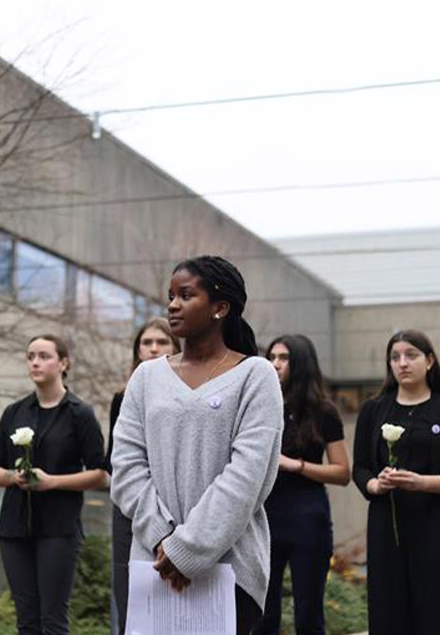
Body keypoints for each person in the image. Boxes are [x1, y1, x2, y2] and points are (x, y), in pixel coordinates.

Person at [111, 255, 283, 635]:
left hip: (229, 570)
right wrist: (162, 538)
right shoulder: (146, 377)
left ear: (220, 307)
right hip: (152, 567)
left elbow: (247, 476)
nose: (172, 305)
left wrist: (187, 549)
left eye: (186, 295)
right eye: (170, 296)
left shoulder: (256, 375)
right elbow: (125, 466)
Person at [352, 330, 440, 635]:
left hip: (435, 529)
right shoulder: (373, 410)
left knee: (437, 615)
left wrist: (422, 482)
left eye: (411, 355)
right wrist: (375, 486)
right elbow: (361, 468)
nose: (402, 363)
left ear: (430, 361)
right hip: (386, 526)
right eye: (395, 357)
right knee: (388, 614)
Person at [0, 334, 107, 635]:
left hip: (58, 527)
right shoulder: (13, 412)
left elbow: (100, 474)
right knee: (26, 620)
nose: (35, 362)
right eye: (30, 356)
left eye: (43, 356)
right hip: (14, 527)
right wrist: (12, 478)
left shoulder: (80, 413)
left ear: (63, 363)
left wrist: (52, 482)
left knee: (52, 619)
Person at [253, 334, 350, 635]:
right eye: (272, 357)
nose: (275, 364)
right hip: (263, 519)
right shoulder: (258, 405)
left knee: (308, 615)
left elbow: (342, 472)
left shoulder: (323, 411)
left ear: (301, 364)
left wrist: (297, 465)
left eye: (283, 358)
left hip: (308, 518)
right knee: (262, 615)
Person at [106, 318, 180, 635]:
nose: (152, 349)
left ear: (176, 348)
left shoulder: (185, 394)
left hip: (176, 502)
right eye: (146, 343)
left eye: (161, 342)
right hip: (131, 507)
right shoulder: (123, 398)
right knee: (130, 595)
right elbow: (116, 459)